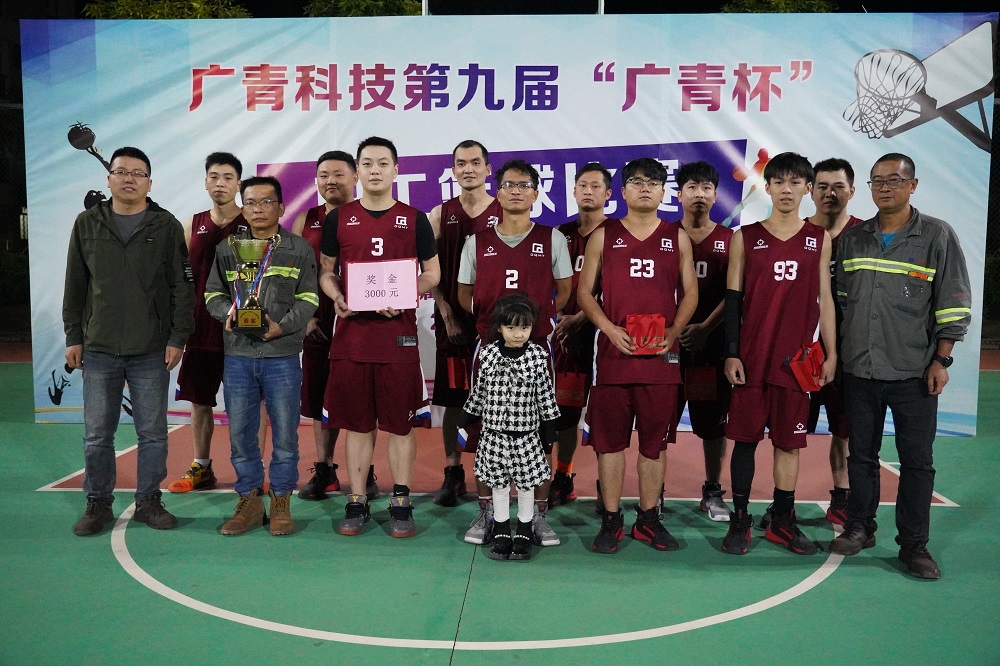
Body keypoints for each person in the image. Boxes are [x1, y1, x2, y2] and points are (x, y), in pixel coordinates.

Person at [829, 153, 971, 580]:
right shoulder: (853, 240)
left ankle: (914, 545)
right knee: (861, 456)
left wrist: (941, 359)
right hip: (859, 370)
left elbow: (953, 301)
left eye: (894, 180)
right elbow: (840, 301)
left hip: (914, 371)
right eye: (878, 181)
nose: (885, 188)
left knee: (917, 463)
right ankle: (860, 527)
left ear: (913, 185)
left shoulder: (936, 236)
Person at [64, 146, 195, 536]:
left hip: (151, 348)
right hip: (98, 347)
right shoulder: (87, 223)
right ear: (109, 179)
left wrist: (178, 337)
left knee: (152, 433)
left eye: (138, 173)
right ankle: (98, 503)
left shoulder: (165, 225)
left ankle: (148, 501)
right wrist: (73, 335)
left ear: (149, 183)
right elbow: (75, 284)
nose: (129, 179)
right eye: (121, 171)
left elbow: (181, 286)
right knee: (97, 435)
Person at [320, 136, 440, 538]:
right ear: (357, 171)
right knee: (357, 424)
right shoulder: (339, 219)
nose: (375, 170)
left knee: (401, 425)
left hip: (398, 338)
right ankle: (357, 500)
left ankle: (401, 501)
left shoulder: (414, 218)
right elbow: (326, 272)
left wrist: (406, 293)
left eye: (383, 163)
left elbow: (433, 273)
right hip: (352, 337)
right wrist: (337, 296)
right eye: (367, 164)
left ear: (396, 170)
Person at [578, 157, 698, 554]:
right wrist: (609, 329)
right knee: (610, 444)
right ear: (623, 190)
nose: (645, 188)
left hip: (661, 360)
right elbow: (584, 293)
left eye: (653, 182)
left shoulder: (676, 236)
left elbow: (691, 293)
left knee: (653, 446)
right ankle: (612, 520)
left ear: (664, 192)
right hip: (614, 359)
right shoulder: (603, 235)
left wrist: (674, 331)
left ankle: (648, 520)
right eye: (637, 181)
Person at [720, 151, 836, 556]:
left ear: (808, 189)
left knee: (789, 444)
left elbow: (826, 300)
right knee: (745, 441)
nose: (787, 189)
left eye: (795, 182)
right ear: (767, 187)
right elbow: (732, 300)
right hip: (751, 360)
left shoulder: (819, 238)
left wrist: (832, 354)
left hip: (796, 363)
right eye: (779, 182)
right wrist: (732, 353)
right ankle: (740, 520)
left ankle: (782, 520)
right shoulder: (744, 237)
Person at [456, 158, 573, 548]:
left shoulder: (552, 239)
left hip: (536, 346)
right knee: (486, 431)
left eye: (525, 185)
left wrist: (537, 320)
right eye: (509, 184)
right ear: (498, 191)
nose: (516, 191)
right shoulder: (476, 242)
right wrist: (492, 323)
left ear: (536, 193)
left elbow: (564, 289)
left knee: (539, 432)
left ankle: (535, 515)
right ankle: (489, 513)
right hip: (490, 348)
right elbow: (464, 294)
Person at [205, 175, 318, 536]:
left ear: (281, 208)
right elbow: (212, 293)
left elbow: (309, 298)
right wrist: (228, 313)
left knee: (285, 435)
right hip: (238, 355)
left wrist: (281, 327)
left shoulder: (299, 248)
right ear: (243, 208)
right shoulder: (227, 248)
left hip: (282, 355)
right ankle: (250, 501)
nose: (258, 209)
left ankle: (281, 500)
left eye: (266, 201)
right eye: (251, 202)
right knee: (241, 435)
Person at [168, 152, 249, 494]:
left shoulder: (251, 223)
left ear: (238, 184)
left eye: (228, 177)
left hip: (242, 331)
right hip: (200, 329)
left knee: (246, 404)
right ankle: (201, 466)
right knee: (200, 401)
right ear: (205, 182)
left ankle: (248, 470)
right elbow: (178, 279)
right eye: (214, 176)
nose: (220, 183)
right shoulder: (193, 224)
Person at [427, 140, 502, 507]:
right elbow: (428, 268)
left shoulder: (506, 210)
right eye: (461, 163)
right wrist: (444, 310)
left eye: (475, 162)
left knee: (497, 400)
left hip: (497, 325)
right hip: (454, 323)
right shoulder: (440, 214)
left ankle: (494, 472)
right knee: (455, 399)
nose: (468, 169)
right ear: (453, 171)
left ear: (488, 169)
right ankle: (453, 471)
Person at [460, 293, 561, 561]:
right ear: (500, 327)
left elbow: (545, 395)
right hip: (494, 436)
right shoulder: (488, 354)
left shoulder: (538, 356)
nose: (518, 334)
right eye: (512, 327)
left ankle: (524, 532)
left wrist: (549, 427)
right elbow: (480, 390)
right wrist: (468, 414)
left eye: (525, 328)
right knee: (499, 485)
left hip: (527, 436)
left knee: (527, 486)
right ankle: (502, 531)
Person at [291, 150, 364, 501]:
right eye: (323, 175)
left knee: (360, 396)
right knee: (320, 395)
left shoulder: (369, 215)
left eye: (338, 174)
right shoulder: (306, 219)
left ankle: (364, 470)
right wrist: (305, 316)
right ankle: (325, 469)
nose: (330, 181)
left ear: (355, 177)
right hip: (318, 321)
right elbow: (292, 273)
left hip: (361, 321)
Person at [801, 157, 864, 526]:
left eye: (838, 187)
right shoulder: (795, 234)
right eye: (822, 186)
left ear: (851, 192)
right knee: (789, 430)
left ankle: (842, 498)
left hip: (848, 353)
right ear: (811, 190)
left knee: (844, 430)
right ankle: (783, 502)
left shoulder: (864, 236)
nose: (830, 193)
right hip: (799, 352)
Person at [673, 161, 734, 522]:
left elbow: (735, 293)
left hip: (711, 347)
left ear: (715, 195)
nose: (699, 193)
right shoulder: (663, 236)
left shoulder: (730, 239)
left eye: (706, 187)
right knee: (660, 421)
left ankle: (712, 489)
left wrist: (705, 329)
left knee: (713, 424)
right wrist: (676, 331)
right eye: (692, 187)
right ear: (679, 194)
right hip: (668, 347)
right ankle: (654, 492)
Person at [549, 162, 612, 508]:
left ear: (608, 193)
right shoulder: (560, 234)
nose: (588, 191)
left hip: (605, 339)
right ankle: (563, 475)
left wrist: (581, 318)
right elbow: (549, 283)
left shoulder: (617, 234)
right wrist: (561, 318)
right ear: (573, 191)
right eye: (582, 185)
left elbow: (617, 289)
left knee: (604, 417)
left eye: (595, 186)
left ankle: (608, 486)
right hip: (566, 339)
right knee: (566, 413)